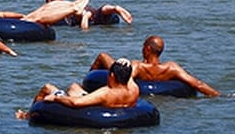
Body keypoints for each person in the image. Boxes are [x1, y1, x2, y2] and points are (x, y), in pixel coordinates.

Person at [90, 35, 219, 97]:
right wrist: (219, 96)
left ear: (147, 49)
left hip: (127, 76)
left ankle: (87, 84)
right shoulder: (171, 68)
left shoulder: (138, 66)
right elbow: (198, 84)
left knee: (102, 56)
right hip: (163, 78)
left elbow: (125, 81)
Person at [16, 58, 138, 119]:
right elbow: (129, 76)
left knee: (47, 88)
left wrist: (55, 99)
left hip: (91, 106)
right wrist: (124, 62)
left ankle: (26, 116)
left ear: (112, 75)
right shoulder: (134, 90)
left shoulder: (106, 93)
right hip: (109, 103)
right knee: (74, 86)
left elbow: (75, 103)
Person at [42, 0, 132, 30]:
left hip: (82, 15)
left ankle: (85, 16)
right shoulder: (67, 3)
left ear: (49, 0)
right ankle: (114, 8)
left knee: (82, 24)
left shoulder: (54, 9)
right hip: (90, 10)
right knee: (100, 11)